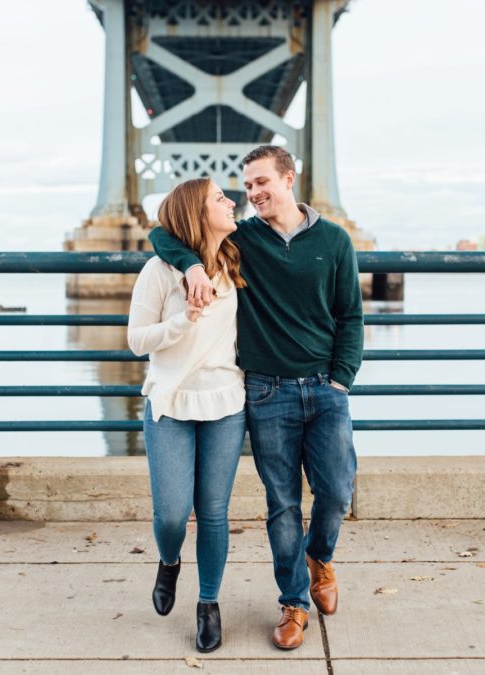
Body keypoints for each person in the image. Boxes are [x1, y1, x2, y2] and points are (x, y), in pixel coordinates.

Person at [148, 145, 363, 650]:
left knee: (336, 493)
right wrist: (192, 267)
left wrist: (341, 379)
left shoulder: (334, 240)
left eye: (262, 182)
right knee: (282, 504)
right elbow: (164, 233)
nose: (253, 193)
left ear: (290, 178)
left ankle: (321, 558)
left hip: (325, 388)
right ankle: (293, 604)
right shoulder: (241, 240)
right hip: (266, 391)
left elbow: (350, 315)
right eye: (246, 187)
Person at [127, 177, 247, 653]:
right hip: (171, 401)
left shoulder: (240, 257)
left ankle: (208, 604)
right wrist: (184, 319)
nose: (232, 201)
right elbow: (137, 340)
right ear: (197, 214)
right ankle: (169, 560)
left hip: (226, 401)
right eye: (220, 198)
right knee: (173, 514)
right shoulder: (158, 271)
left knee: (214, 513)